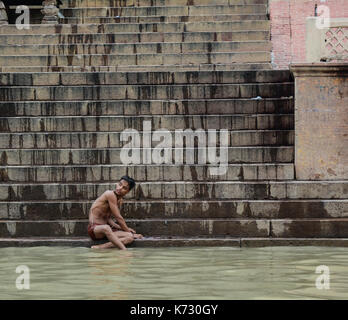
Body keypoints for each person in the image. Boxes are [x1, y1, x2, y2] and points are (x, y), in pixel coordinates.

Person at [88, 175, 143, 250]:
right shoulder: (110, 194)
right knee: (106, 227)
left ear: (128, 191)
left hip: (107, 231)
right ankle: (124, 251)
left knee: (130, 237)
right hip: (95, 229)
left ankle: (100, 247)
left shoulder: (120, 200)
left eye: (124, 188)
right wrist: (127, 230)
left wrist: (126, 230)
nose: (120, 188)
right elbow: (118, 218)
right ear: (117, 183)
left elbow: (108, 219)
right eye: (120, 184)